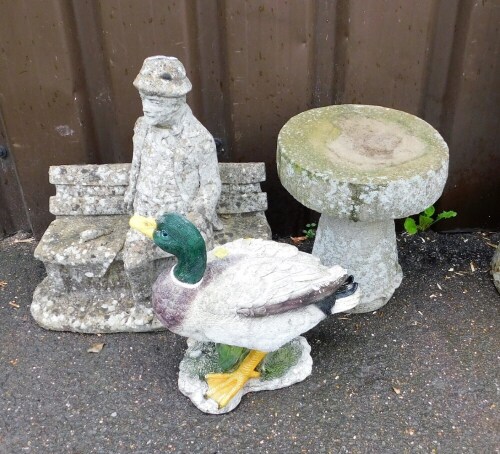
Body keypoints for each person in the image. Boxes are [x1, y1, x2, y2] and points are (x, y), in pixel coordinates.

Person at [123, 56, 222, 302]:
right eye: (143, 99)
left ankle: (195, 304)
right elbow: (137, 163)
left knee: (204, 261)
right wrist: (130, 192)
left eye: (155, 101)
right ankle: (146, 304)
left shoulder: (198, 139)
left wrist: (197, 217)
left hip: (183, 218)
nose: (147, 107)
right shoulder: (142, 126)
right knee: (134, 261)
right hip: (146, 215)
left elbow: (211, 184)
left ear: (177, 101)